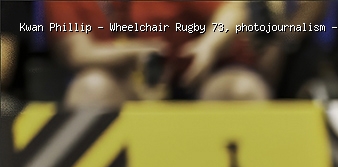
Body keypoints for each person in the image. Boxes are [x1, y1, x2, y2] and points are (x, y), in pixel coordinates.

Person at [44, 0, 269, 107]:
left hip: (200, 78)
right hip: (126, 82)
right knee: (91, 89)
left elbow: (234, 11)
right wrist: (136, 53)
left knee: (242, 90)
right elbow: (77, 53)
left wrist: (209, 45)